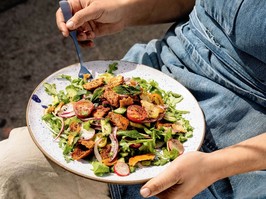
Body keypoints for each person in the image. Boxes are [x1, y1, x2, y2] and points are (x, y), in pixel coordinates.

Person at [1, 0, 266, 198]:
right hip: (165, 70)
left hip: (234, 146)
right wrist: (123, 9)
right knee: (10, 166)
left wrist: (216, 166)